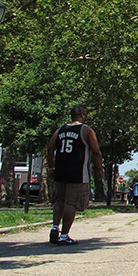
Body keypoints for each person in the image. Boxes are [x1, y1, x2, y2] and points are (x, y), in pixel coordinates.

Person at [46, 105, 104, 246]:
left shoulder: (59, 130)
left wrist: (50, 167)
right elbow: (96, 152)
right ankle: (64, 235)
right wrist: (99, 169)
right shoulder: (86, 131)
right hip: (77, 173)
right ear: (83, 115)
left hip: (60, 171)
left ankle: (55, 227)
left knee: (59, 200)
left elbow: (50, 148)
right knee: (71, 203)